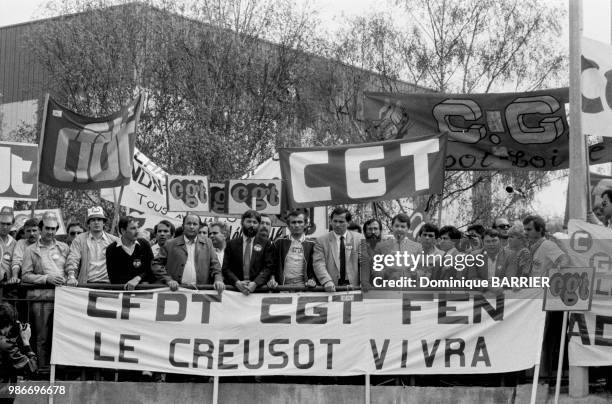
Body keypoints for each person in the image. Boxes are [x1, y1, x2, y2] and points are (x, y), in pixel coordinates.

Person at [20, 212, 67, 370]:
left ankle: (61, 371)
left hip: (64, 298)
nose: (50, 232)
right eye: (47, 228)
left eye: (54, 228)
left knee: (62, 336)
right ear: (41, 229)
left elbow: (69, 270)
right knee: (42, 336)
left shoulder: (64, 248)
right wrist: (46, 278)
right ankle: (41, 370)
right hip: (41, 297)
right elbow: (25, 276)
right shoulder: (30, 250)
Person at [152, 214, 224, 293]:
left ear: (199, 227)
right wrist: (168, 280)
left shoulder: (208, 243)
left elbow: (215, 266)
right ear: (183, 226)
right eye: (189, 223)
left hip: (200, 293)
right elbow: (156, 264)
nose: (192, 226)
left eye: (195, 224)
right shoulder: (170, 244)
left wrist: (218, 279)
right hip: (176, 292)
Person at [222, 210, 274, 295]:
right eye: (249, 221)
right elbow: (226, 268)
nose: (252, 225)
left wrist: (255, 283)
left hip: (258, 291)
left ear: (258, 225)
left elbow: (268, 267)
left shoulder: (266, 244)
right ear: (242, 223)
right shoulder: (231, 244)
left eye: (255, 222)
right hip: (236, 292)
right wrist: (237, 282)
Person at [65, 206, 119, 286]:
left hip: (109, 285)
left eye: (99, 220)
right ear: (88, 224)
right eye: (93, 220)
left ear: (104, 223)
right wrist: (71, 276)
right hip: (86, 285)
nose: (96, 222)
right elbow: (73, 258)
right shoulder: (79, 240)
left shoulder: (114, 240)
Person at [313, 207, 364, 291]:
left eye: (341, 222)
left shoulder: (359, 238)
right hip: (330, 286)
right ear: (331, 221)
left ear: (348, 223)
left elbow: (364, 262)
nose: (337, 225)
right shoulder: (321, 240)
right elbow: (318, 263)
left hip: (353, 286)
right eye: (335, 221)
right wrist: (326, 281)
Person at [268, 210, 316, 289]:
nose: (297, 225)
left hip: (304, 287)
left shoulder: (312, 244)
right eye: (293, 222)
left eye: (300, 222)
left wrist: (312, 280)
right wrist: (272, 279)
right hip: (282, 287)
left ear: (305, 224)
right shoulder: (279, 242)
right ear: (288, 225)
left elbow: (315, 267)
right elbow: (272, 265)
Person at [0, 303, 37, 403]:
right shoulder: (5, 345)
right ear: (9, 324)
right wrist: (26, 341)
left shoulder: (6, 343)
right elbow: (32, 368)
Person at [106, 216, 154, 290]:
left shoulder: (144, 244)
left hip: (144, 293)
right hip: (123, 295)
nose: (137, 231)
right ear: (123, 231)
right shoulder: (111, 249)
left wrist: (138, 278)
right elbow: (113, 277)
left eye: (137, 227)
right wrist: (129, 284)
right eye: (133, 228)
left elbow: (151, 268)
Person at [371, 213, 421, 284]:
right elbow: (374, 273)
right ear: (392, 227)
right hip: (388, 290)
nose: (399, 229)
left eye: (403, 226)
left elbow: (423, 273)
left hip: (409, 290)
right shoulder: (380, 246)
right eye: (397, 226)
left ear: (408, 229)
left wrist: (415, 273)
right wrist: (387, 270)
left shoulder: (417, 247)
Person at [0, 208, 17, 282]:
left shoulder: (15, 243)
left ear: (12, 224)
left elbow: (16, 262)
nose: (5, 227)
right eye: (2, 223)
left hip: (7, 287)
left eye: (8, 224)